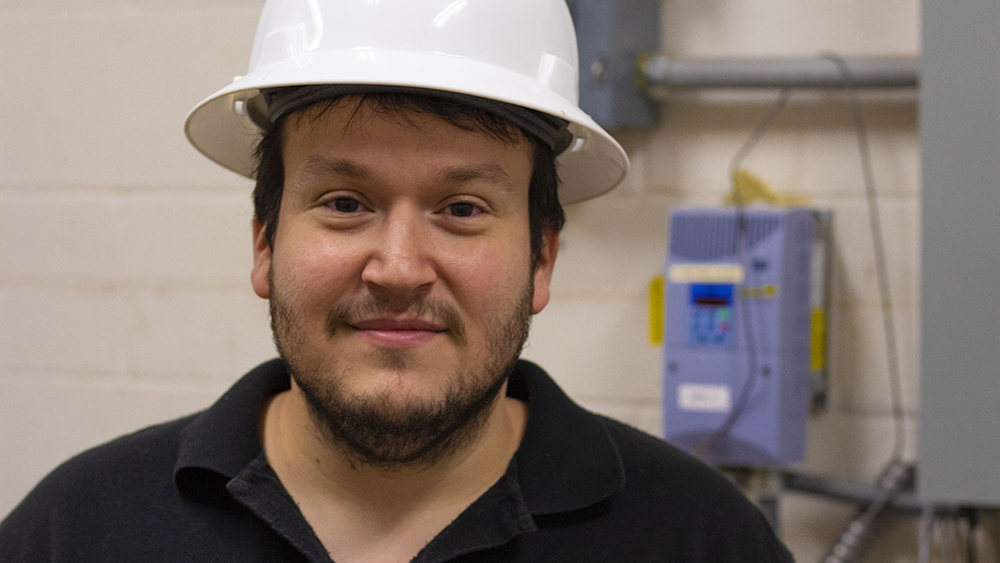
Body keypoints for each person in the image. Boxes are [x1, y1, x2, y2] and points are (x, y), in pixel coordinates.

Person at [0, 0, 794, 561]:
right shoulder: (77, 530)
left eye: (462, 207)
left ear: (543, 258)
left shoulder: (698, 538)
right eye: (345, 203)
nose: (400, 267)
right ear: (266, 243)